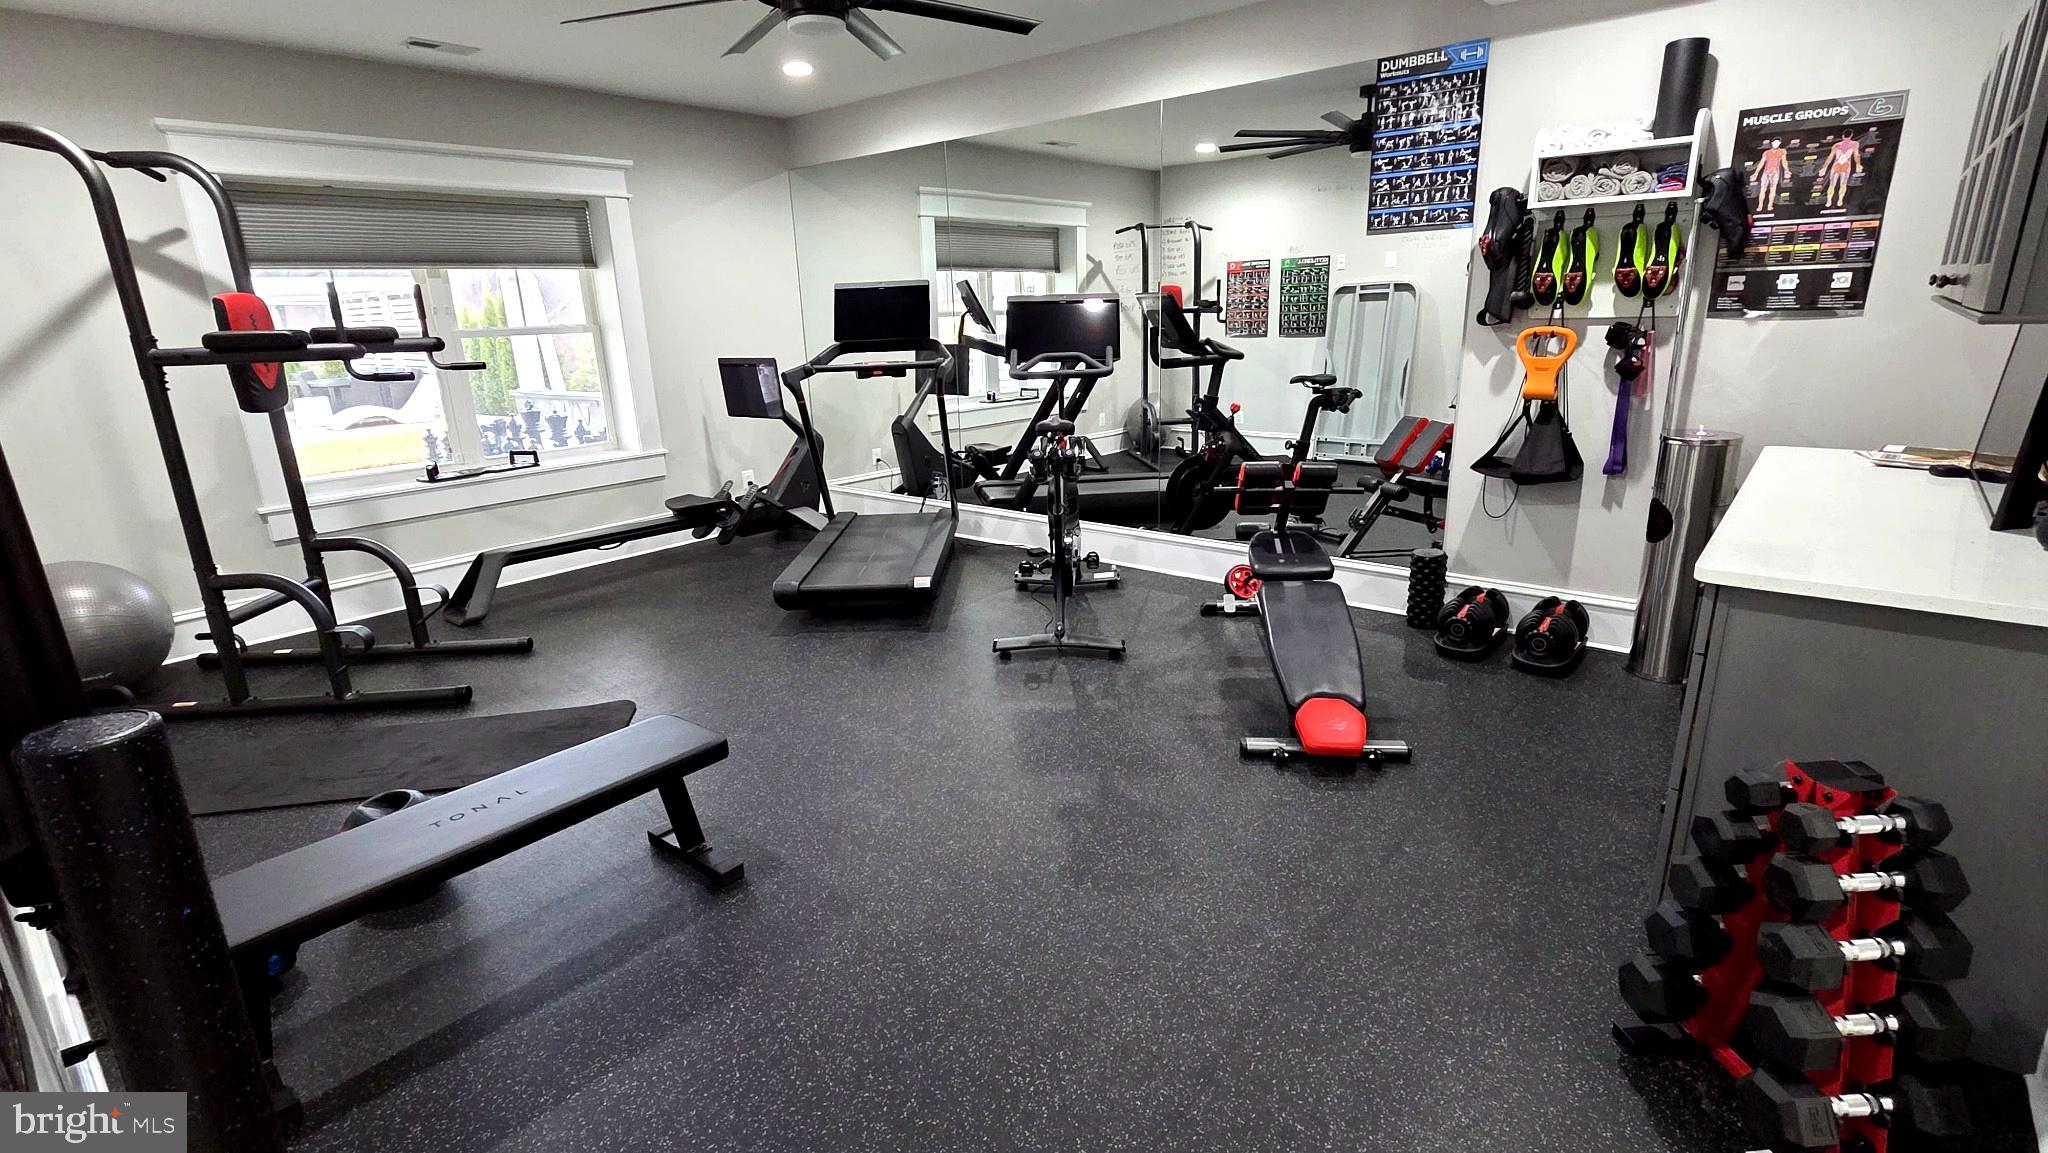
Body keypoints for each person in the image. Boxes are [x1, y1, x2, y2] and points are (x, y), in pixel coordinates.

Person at [1822, 131, 1864, 209]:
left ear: (1842, 135)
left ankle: (1839, 199)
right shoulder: (1838, 145)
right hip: (1838, 164)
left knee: (1840, 183)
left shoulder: (1853, 144)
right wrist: (1824, 167)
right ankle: (1830, 200)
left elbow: (1856, 155)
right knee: (1835, 183)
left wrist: (1858, 164)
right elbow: (1830, 157)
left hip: (1844, 164)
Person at [1753, 139, 1790, 213]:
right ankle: (1760, 205)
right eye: (1774, 142)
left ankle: (1770, 205)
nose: (1776, 144)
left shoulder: (1782, 151)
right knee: (1763, 189)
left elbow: (1784, 161)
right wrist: (1756, 173)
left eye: (1777, 142)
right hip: (1766, 172)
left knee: (1773, 189)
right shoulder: (1766, 152)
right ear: (1772, 143)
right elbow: (1762, 163)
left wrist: (1786, 170)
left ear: (1779, 143)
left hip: (1775, 172)